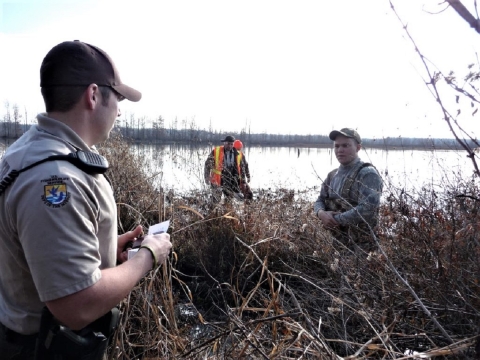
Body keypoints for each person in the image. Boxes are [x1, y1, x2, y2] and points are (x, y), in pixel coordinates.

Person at [0, 40, 172, 359]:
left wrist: (104, 248)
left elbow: (34, 250)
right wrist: (147, 255)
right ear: (93, 95)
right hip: (44, 349)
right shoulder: (56, 179)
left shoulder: (29, 151)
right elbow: (76, 305)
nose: (120, 109)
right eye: (117, 97)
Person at [313, 128, 383, 252]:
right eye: (337, 146)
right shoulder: (332, 175)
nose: (340, 150)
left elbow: (368, 209)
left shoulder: (367, 174)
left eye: (345, 145)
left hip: (362, 249)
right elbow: (320, 200)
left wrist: (334, 220)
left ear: (358, 148)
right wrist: (321, 214)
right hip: (335, 245)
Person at [204, 135, 248, 203]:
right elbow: (207, 164)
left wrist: (243, 182)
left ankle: (227, 212)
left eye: (231, 144)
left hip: (231, 181)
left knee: (229, 201)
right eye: (228, 144)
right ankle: (214, 212)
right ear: (224, 143)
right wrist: (206, 177)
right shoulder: (216, 151)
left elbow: (242, 169)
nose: (230, 146)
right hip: (217, 180)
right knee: (215, 201)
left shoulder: (238, 154)